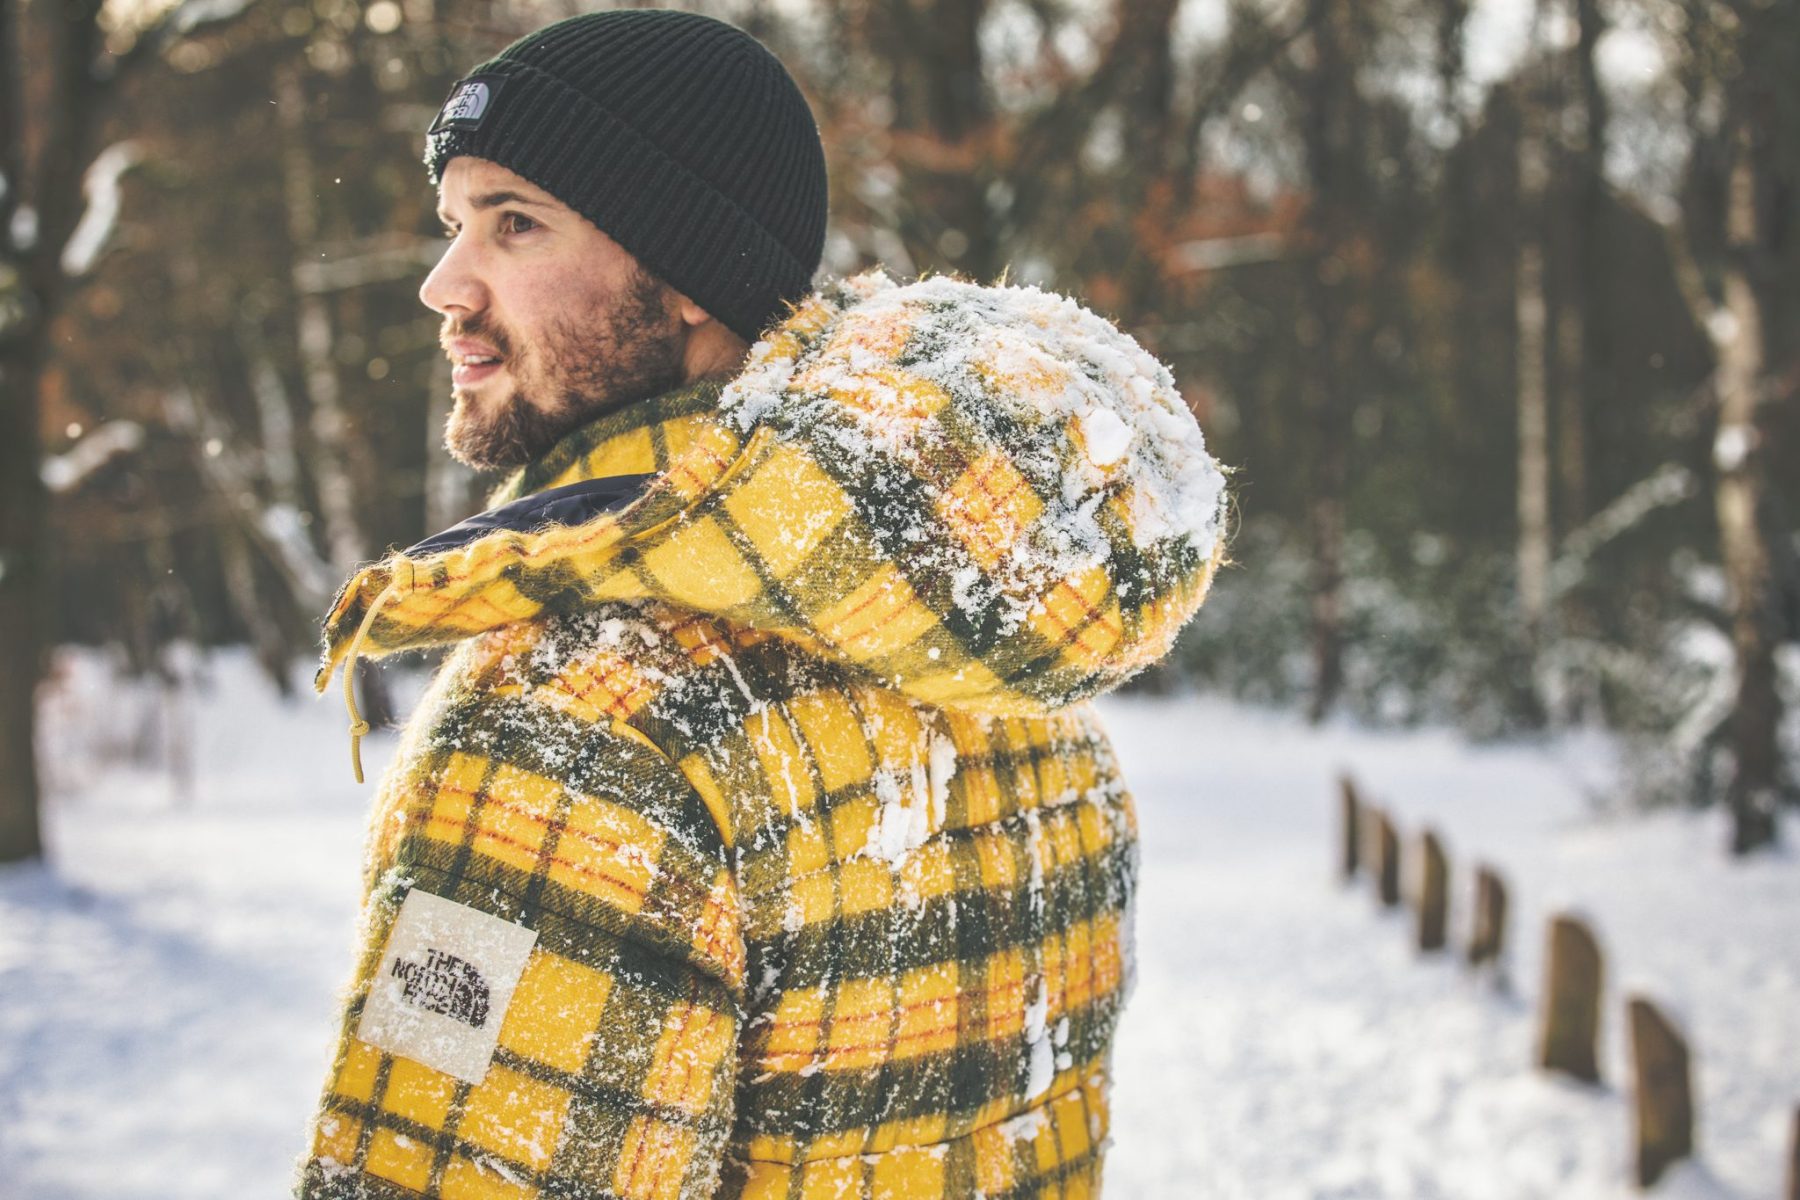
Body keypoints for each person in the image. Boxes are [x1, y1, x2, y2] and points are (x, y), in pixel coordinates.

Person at [297, 9, 1228, 1199]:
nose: (443, 285)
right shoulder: (1004, 663)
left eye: (513, 225)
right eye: (451, 226)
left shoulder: (574, 722)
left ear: (684, 276)